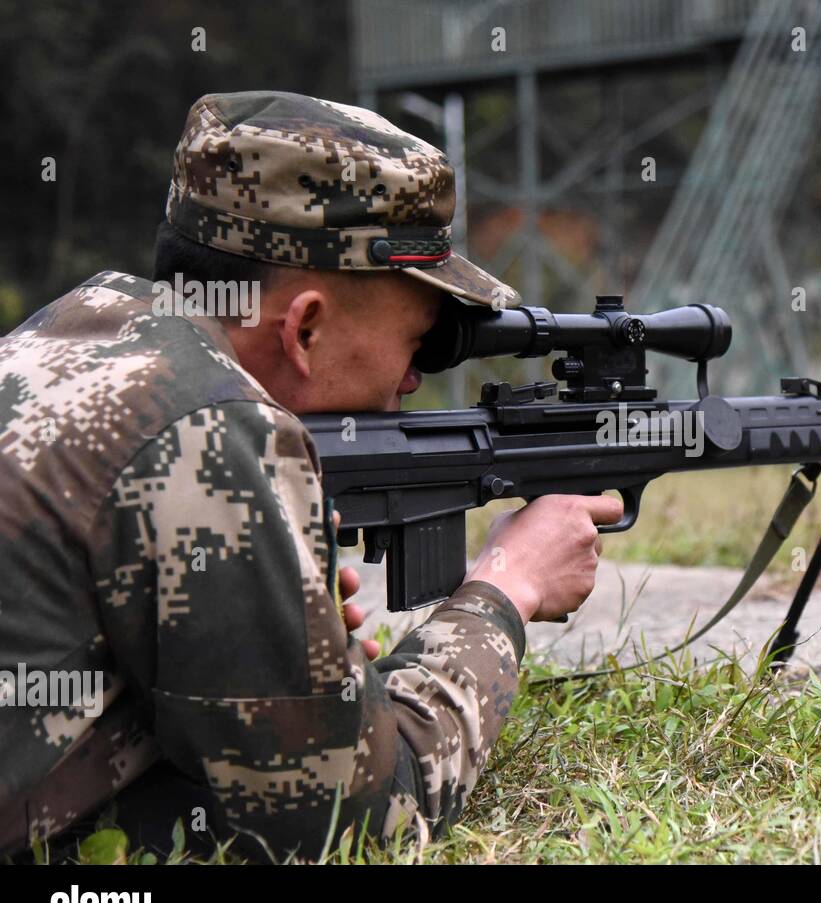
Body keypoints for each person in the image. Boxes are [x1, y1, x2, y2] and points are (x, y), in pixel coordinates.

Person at [0, 90, 620, 860]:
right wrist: (505, 591)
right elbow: (355, 824)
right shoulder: (214, 433)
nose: (413, 381)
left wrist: (276, 631)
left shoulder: (67, 334)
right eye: (420, 342)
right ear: (306, 327)